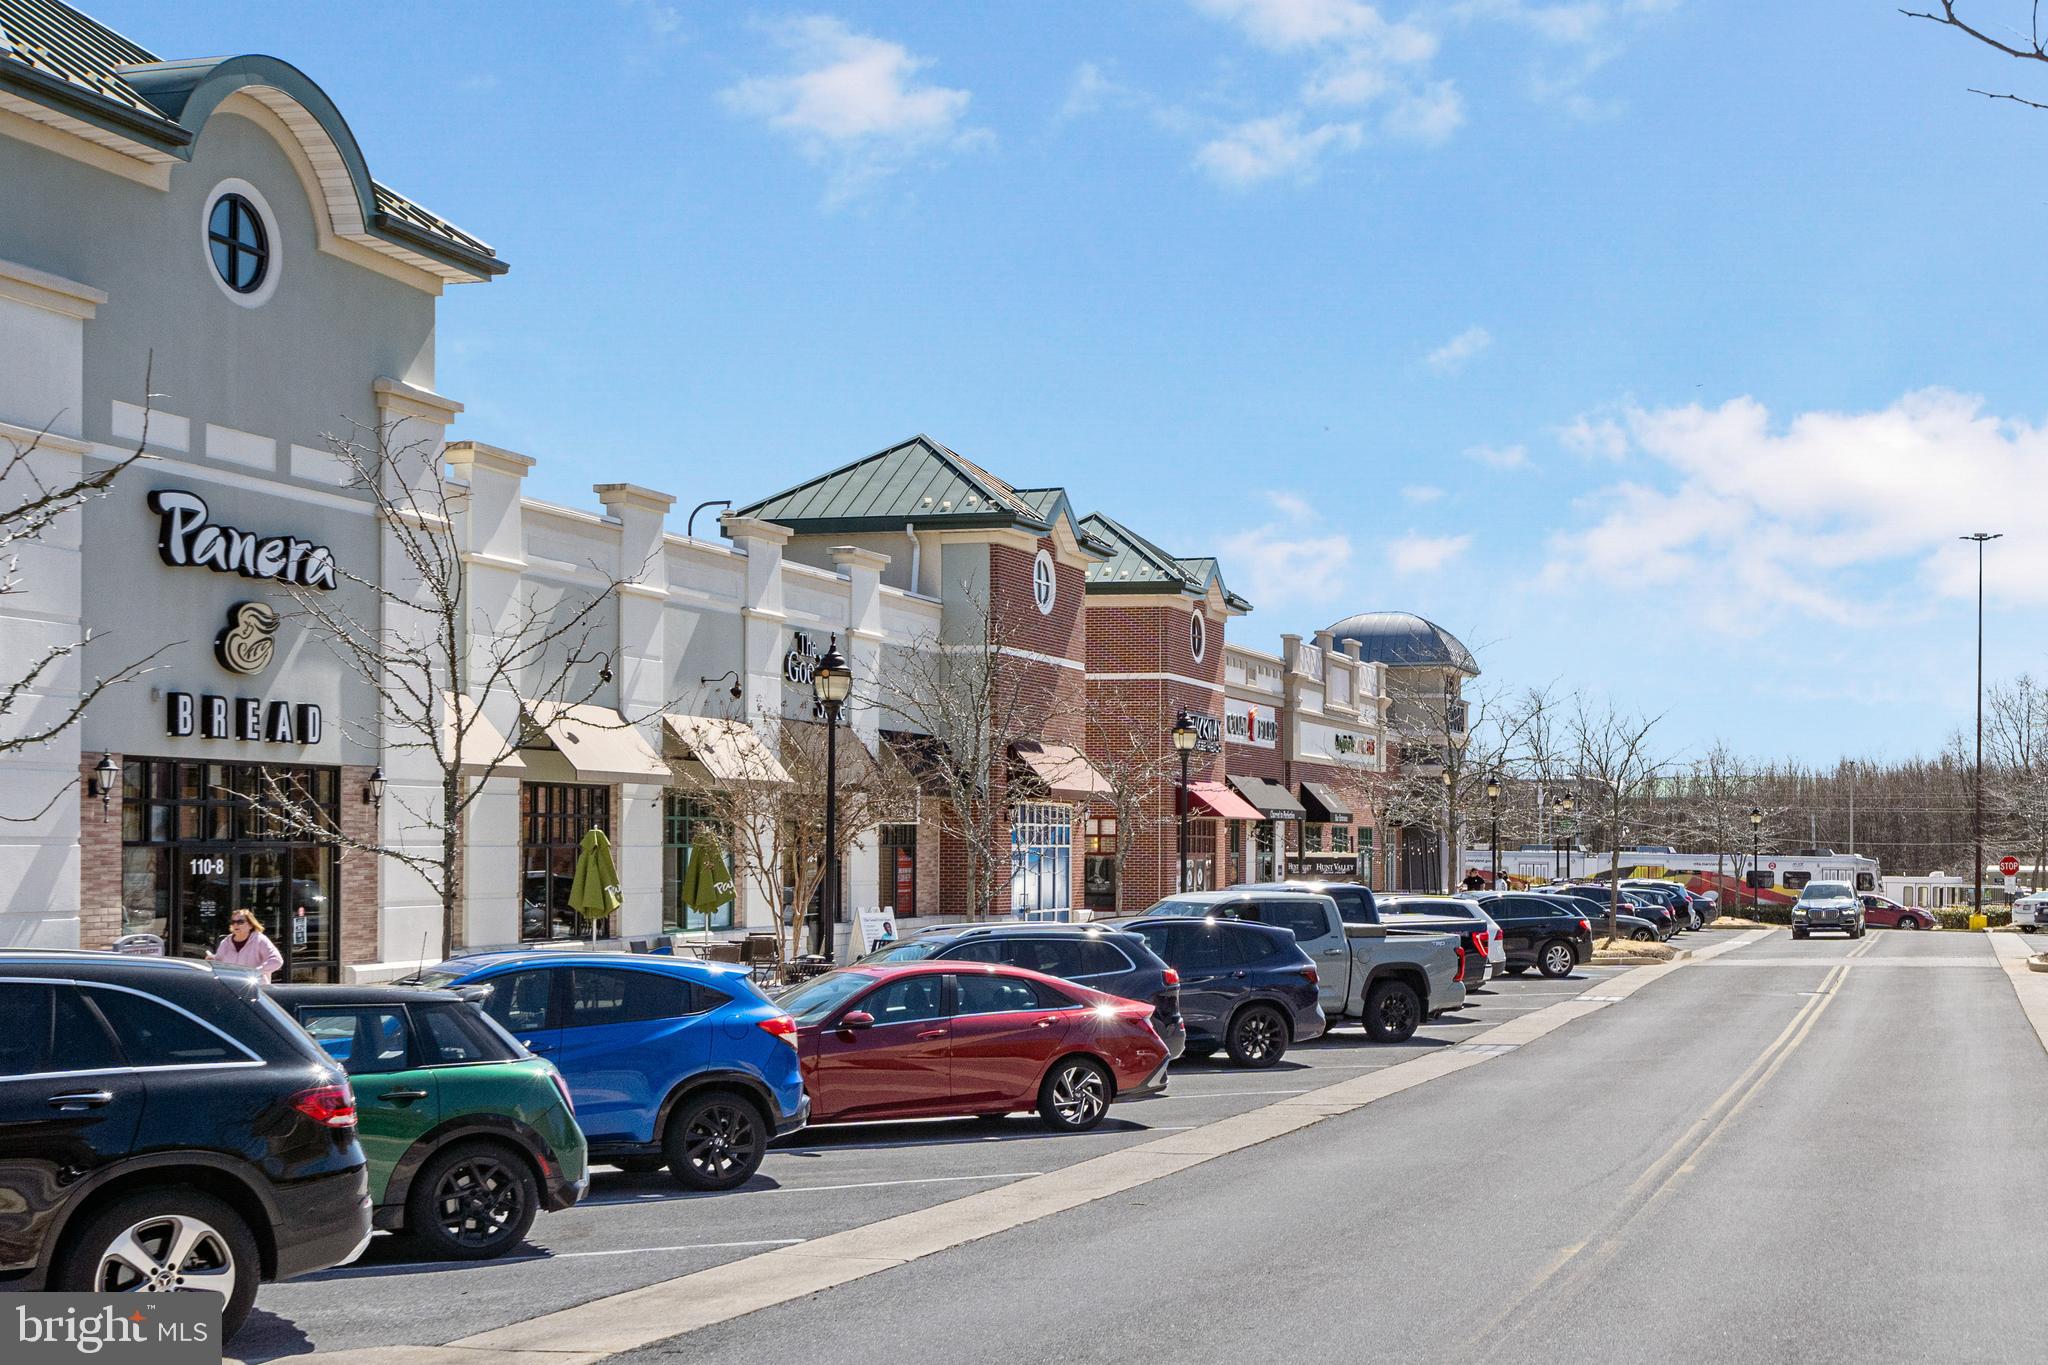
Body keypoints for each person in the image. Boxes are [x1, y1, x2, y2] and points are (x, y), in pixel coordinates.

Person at [208, 909, 283, 982]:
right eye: (233, 922)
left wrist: (256, 971)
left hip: (254, 986)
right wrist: (212, 960)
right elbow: (219, 963)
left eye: (240, 922)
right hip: (232, 987)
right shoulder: (226, 942)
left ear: (250, 925)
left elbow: (277, 961)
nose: (235, 925)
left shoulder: (260, 940)